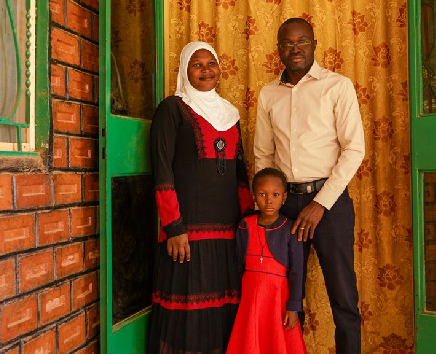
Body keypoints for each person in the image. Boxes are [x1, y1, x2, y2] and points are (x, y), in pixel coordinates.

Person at [254, 18, 365, 353]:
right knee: (288, 296)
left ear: (314, 44)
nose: (295, 48)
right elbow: (263, 155)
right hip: (284, 206)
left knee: (343, 296)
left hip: (329, 204)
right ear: (279, 50)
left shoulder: (337, 86)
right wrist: (270, 204)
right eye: (287, 43)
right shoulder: (268, 94)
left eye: (302, 41)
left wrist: (321, 203)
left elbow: (354, 148)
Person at [149, 41, 253, 354]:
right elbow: (162, 170)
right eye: (197, 64)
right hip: (187, 233)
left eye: (211, 63)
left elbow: (240, 175)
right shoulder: (172, 109)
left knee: (223, 312)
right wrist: (174, 227)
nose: (206, 70)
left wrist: (249, 226)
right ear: (185, 70)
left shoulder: (231, 114)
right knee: (186, 316)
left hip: (227, 233)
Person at [227, 167, 306, 354]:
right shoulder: (245, 227)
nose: (269, 200)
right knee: (251, 340)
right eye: (262, 194)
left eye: (275, 194)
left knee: (277, 341)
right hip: (250, 302)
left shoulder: (291, 229)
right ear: (254, 197)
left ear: (284, 197)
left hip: (278, 302)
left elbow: (297, 271)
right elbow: (238, 266)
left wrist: (294, 307)